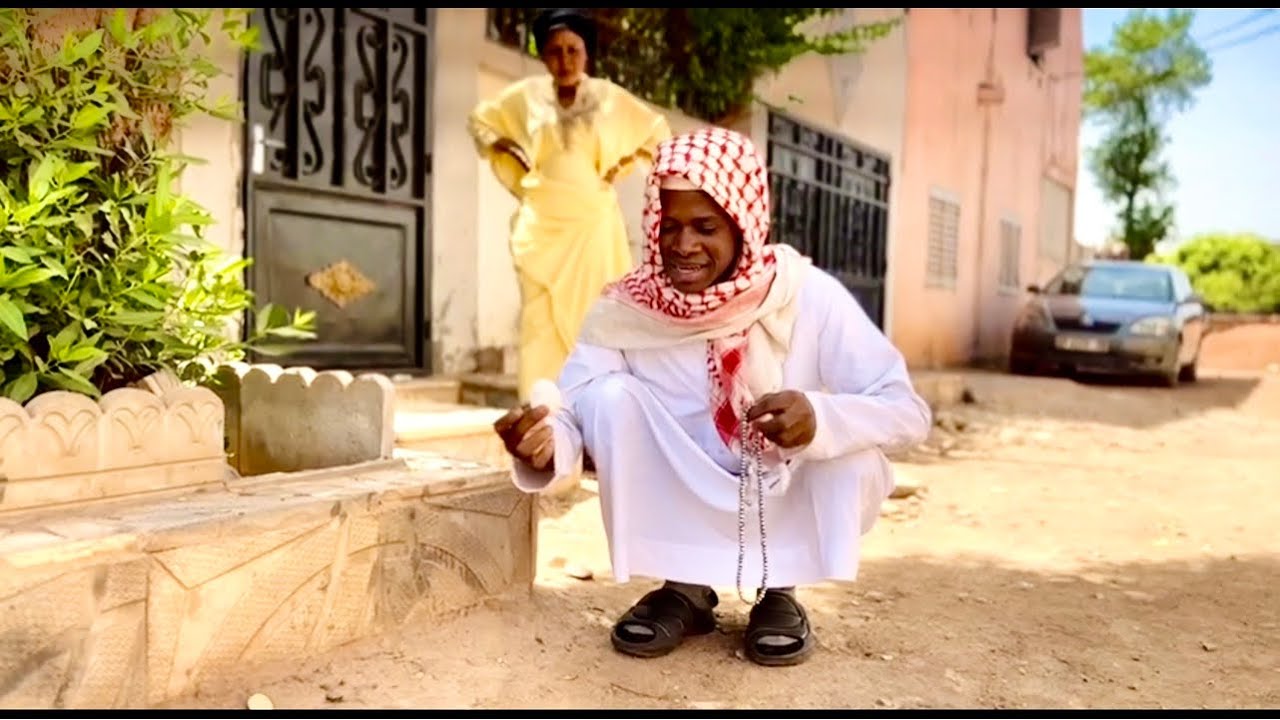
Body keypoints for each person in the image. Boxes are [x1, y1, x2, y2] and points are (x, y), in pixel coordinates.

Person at [492, 127, 932, 666]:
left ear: (742, 226)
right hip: (685, 484)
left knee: (849, 448)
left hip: (782, 487)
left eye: (705, 227)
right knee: (610, 398)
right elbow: (578, 404)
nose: (683, 246)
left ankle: (780, 590)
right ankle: (684, 588)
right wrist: (547, 442)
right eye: (670, 227)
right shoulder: (627, 309)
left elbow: (906, 411)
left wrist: (821, 418)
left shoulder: (805, 294)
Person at [468, 8, 672, 401]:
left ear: (587, 54)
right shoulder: (527, 98)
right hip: (542, 220)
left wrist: (621, 164)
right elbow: (482, 122)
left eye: (572, 50)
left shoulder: (608, 98)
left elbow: (656, 131)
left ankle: (592, 409)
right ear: (544, 56)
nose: (564, 60)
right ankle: (540, 410)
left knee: (593, 316)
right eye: (554, 51)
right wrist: (514, 153)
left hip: (592, 222)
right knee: (539, 319)